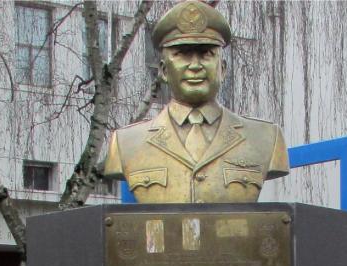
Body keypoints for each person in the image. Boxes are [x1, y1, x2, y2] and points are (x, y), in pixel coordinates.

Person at [104, 0, 289, 203]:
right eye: (182, 54)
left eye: (206, 54)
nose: (195, 66)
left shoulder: (265, 138)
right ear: (164, 70)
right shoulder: (126, 143)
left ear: (223, 69)